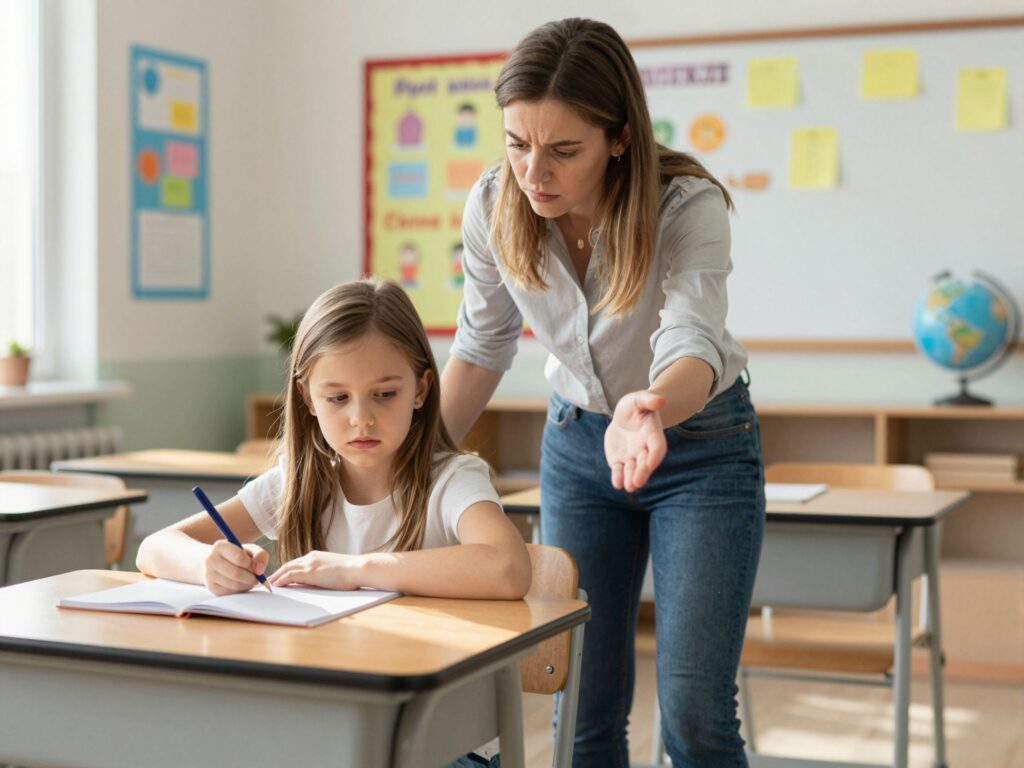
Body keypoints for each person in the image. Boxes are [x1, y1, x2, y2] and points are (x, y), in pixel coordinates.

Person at [440, 18, 765, 768]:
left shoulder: (686, 206)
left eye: (563, 151)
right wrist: (410, 464)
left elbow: (693, 343)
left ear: (618, 138)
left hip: (702, 451)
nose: (533, 172)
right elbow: (482, 347)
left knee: (694, 711)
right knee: (579, 701)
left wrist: (649, 408)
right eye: (517, 144)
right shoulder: (496, 206)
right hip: (579, 451)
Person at [136, 278, 530, 602]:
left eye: (385, 394)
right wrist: (208, 563)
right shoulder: (298, 482)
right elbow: (154, 548)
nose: (361, 418)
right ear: (308, 399)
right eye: (338, 398)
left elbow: (508, 569)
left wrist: (355, 569)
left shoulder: (451, 480)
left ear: (421, 389)